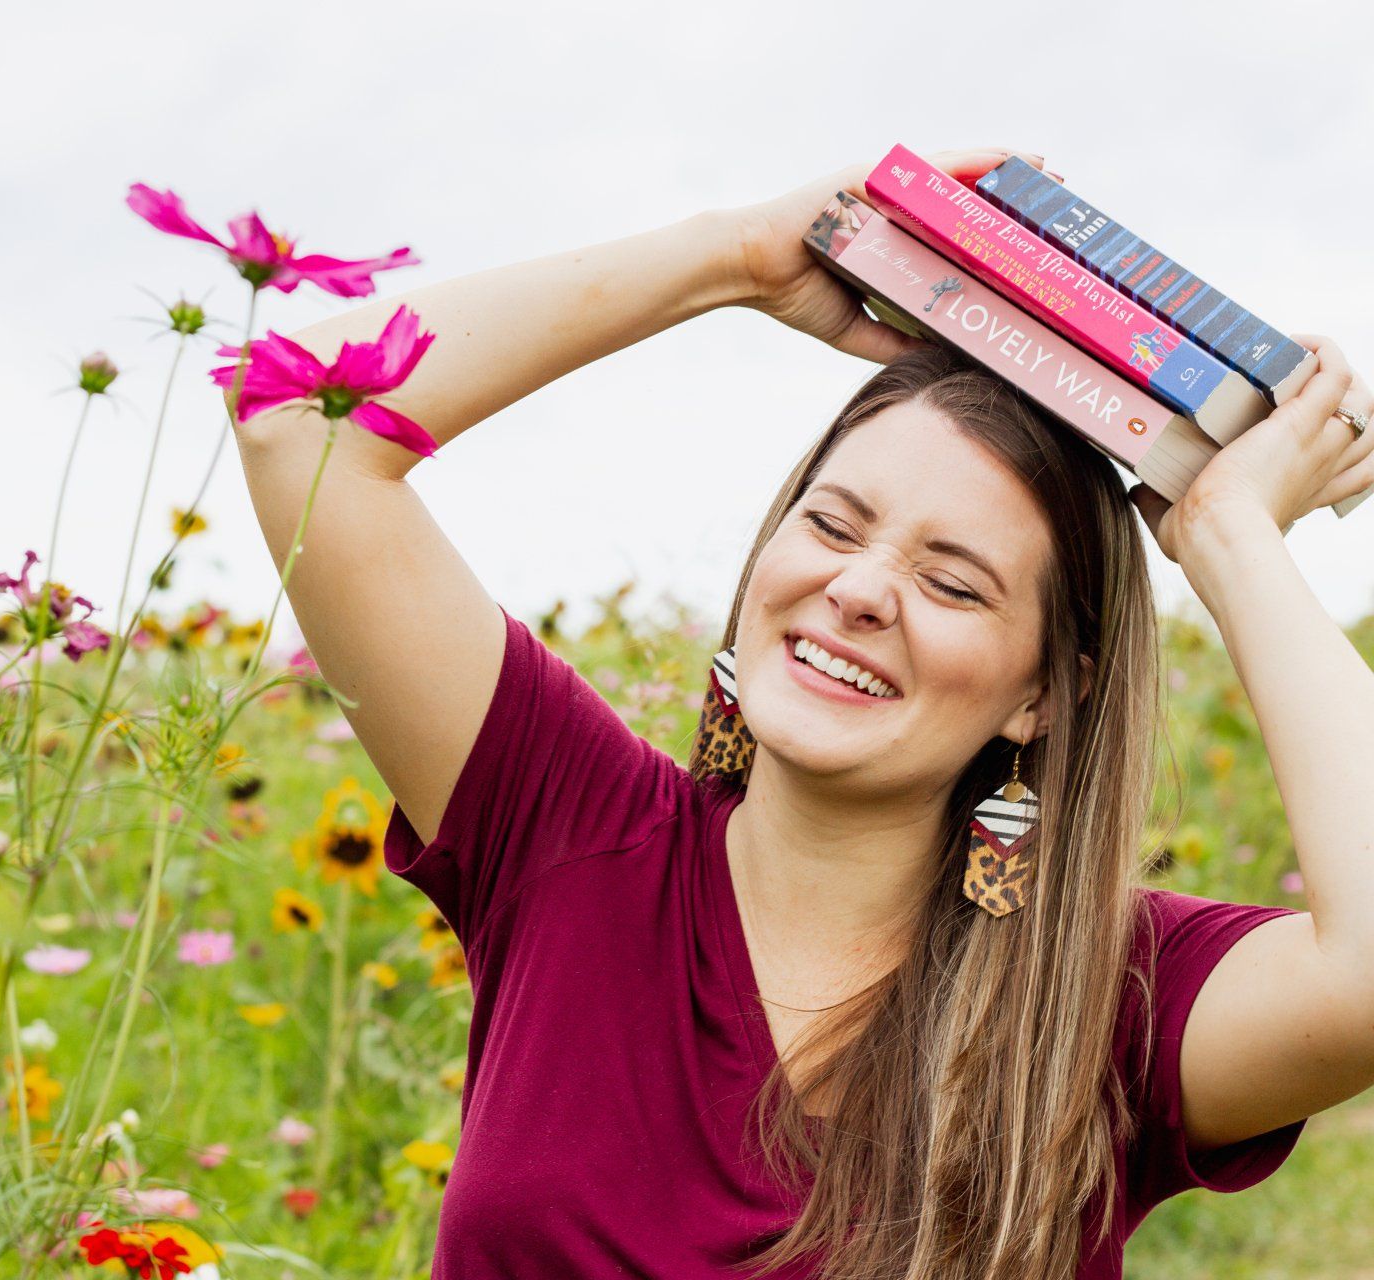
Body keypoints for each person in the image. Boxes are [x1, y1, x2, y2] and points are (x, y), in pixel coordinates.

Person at [226, 146, 1374, 1279]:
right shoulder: (567, 826)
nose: (861, 587)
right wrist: (728, 259)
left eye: (952, 581)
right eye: (832, 525)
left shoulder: (1105, 994)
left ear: (1042, 694)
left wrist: (1228, 532)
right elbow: (294, 408)